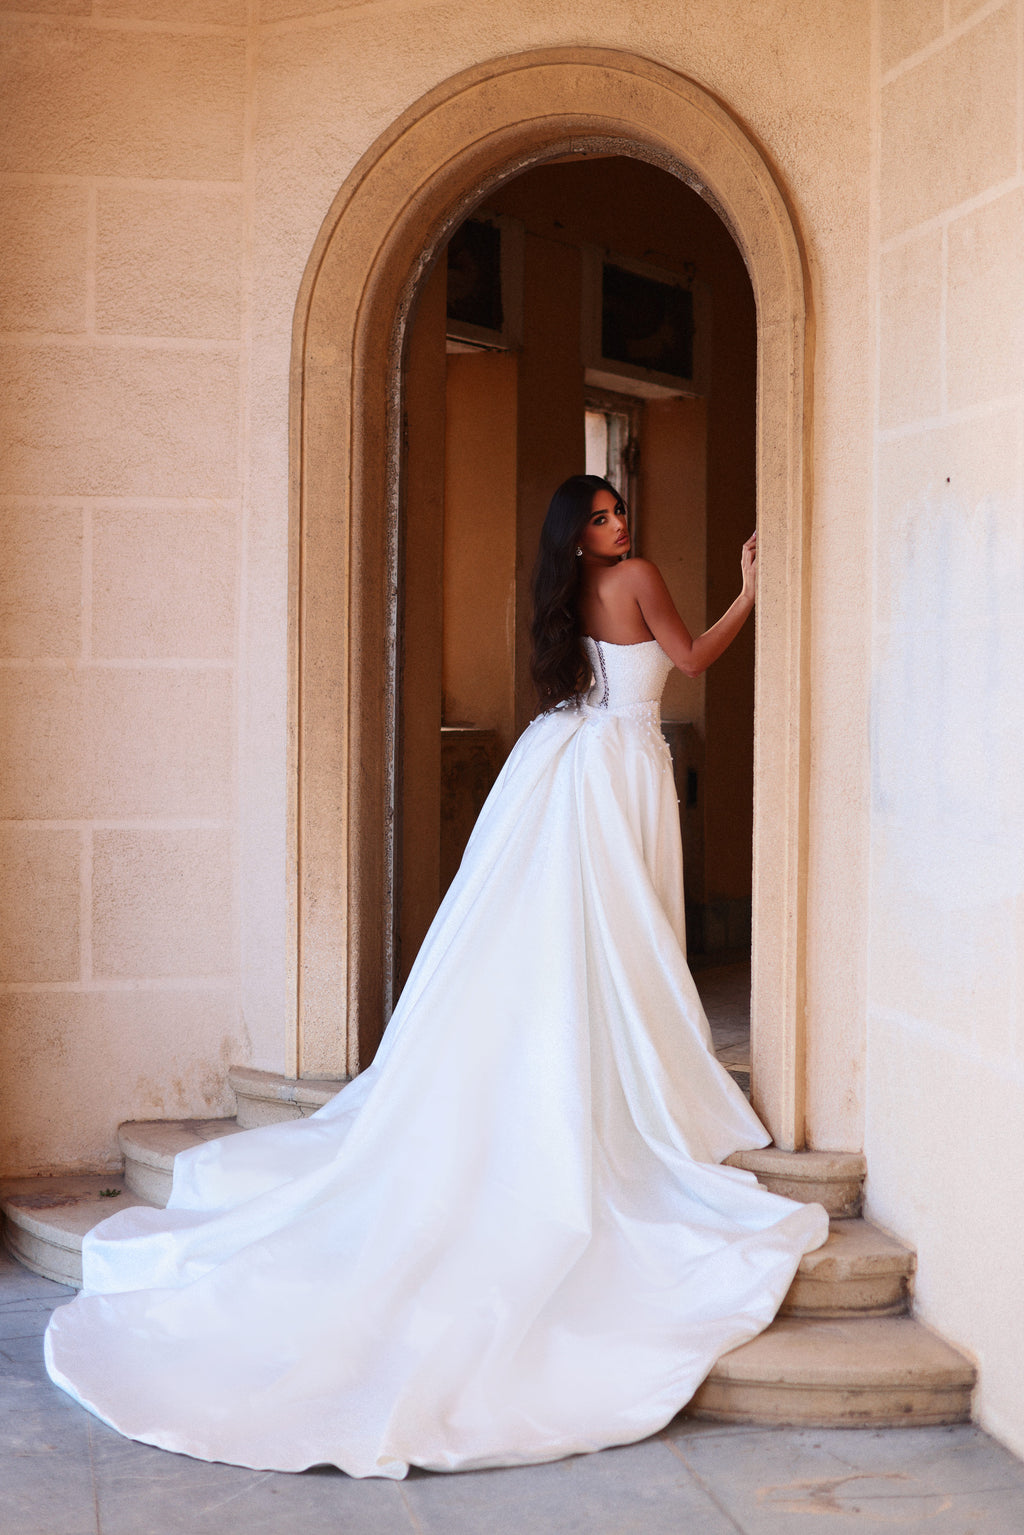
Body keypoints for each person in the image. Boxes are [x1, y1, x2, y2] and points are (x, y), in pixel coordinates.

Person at [44, 474, 827, 1479]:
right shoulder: (637, 576)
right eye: (599, 516)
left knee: (577, 936)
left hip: (570, 762)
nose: (617, 523)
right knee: (620, 936)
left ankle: (595, 1061)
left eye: (617, 510)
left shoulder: (567, 591)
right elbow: (691, 658)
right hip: (619, 768)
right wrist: (749, 592)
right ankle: (632, 1077)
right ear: (579, 534)